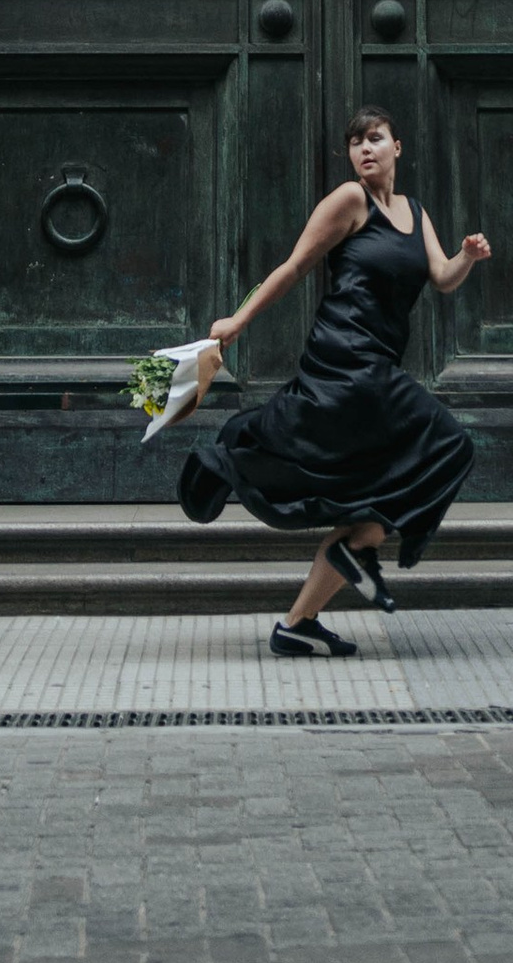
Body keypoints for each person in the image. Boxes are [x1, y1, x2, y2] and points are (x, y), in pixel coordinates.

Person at [177, 107, 491, 658]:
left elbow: (441, 278)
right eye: (355, 143)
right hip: (345, 358)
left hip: (377, 367)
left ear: (398, 146)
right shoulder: (350, 200)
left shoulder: (415, 213)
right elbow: (294, 267)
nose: (364, 149)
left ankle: (297, 624)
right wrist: (237, 321)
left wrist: (466, 256)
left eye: (374, 139)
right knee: (449, 443)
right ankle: (224, 463)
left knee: (370, 514)